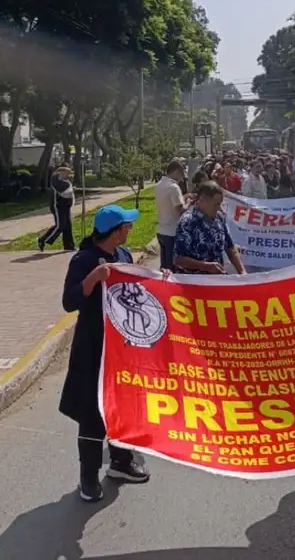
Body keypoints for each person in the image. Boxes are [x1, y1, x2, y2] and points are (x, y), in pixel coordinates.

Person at [60, 205, 155, 501]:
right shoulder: (83, 260)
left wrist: (158, 278)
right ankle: (88, 477)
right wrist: (93, 278)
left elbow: (137, 289)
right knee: (92, 414)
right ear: (114, 232)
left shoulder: (124, 255)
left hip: (123, 349)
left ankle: (121, 461)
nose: (129, 229)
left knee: (123, 406)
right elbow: (69, 301)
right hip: (93, 348)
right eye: (126, 226)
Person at [173, 182, 247, 275]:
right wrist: (204, 266)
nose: (219, 208)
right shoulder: (187, 222)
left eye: (220, 204)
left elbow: (230, 248)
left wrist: (242, 272)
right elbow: (178, 259)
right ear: (202, 201)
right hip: (194, 282)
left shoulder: (219, 218)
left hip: (217, 280)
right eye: (215, 204)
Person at [154, 159, 192, 272]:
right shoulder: (174, 187)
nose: (182, 177)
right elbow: (180, 210)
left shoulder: (159, 184)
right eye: (181, 174)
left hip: (161, 230)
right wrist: (189, 202)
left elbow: (170, 201)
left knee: (164, 266)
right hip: (173, 231)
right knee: (172, 268)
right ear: (176, 171)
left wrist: (185, 196)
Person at [38, 165, 76, 251]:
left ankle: (69, 245)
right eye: (67, 173)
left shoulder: (64, 180)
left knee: (68, 226)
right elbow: (63, 190)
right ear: (61, 172)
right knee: (60, 226)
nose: (69, 175)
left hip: (66, 206)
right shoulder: (55, 179)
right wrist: (69, 186)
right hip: (58, 206)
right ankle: (43, 240)